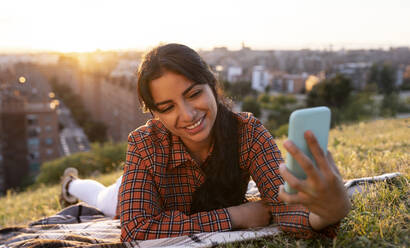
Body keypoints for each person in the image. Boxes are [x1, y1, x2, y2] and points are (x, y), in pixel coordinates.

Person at [61, 43, 351, 241]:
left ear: (212, 84)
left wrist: (326, 213)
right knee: (104, 200)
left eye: (193, 94)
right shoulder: (143, 144)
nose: (187, 115)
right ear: (154, 114)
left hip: (176, 206)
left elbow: (284, 210)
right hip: (133, 188)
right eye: (167, 107)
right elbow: (136, 230)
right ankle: (71, 185)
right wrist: (234, 215)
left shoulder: (248, 133)